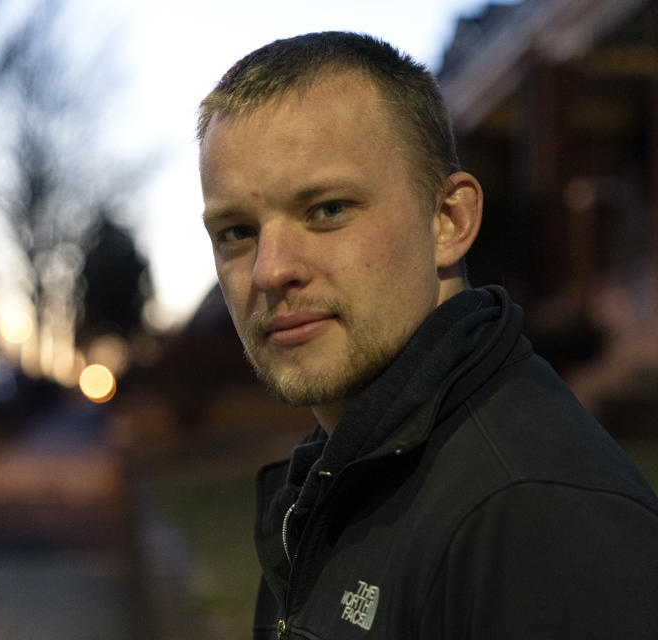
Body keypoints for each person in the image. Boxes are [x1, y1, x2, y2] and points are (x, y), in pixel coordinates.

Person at [197, 31, 658, 639]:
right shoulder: (338, 478)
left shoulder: (531, 513)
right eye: (236, 231)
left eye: (328, 209)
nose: (270, 269)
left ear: (450, 220)